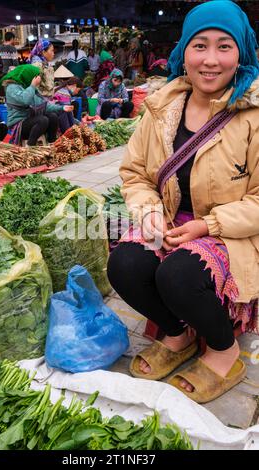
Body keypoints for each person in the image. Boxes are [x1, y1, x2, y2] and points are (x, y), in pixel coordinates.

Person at [107, 0, 259, 403]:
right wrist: (150, 213)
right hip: (173, 220)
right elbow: (136, 174)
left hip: (234, 231)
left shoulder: (254, 113)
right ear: (183, 52)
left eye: (224, 46)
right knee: (124, 263)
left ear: (242, 51)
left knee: (178, 274)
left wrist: (207, 227)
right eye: (200, 45)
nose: (210, 60)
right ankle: (177, 336)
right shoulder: (161, 108)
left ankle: (225, 351)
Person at [0, 65, 74, 146]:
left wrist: (62, 108)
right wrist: (32, 86)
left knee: (53, 116)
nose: (37, 79)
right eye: (35, 76)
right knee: (42, 120)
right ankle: (30, 146)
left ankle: (52, 143)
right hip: (19, 124)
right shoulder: (12, 88)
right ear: (28, 76)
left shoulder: (27, 86)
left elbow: (43, 105)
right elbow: (25, 100)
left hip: (30, 120)